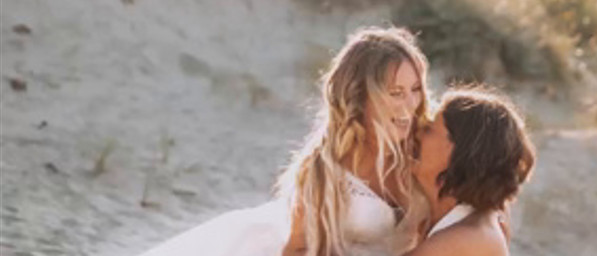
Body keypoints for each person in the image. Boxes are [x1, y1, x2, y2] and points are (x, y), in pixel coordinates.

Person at [140, 27, 432, 256]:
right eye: (395, 93)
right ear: (359, 96)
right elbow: (297, 250)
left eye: (415, 90)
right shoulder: (325, 167)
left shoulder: (429, 148)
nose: (410, 105)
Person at [407, 89, 536, 256]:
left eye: (429, 130)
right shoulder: (487, 215)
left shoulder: (465, 239)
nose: (417, 133)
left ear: (457, 153)